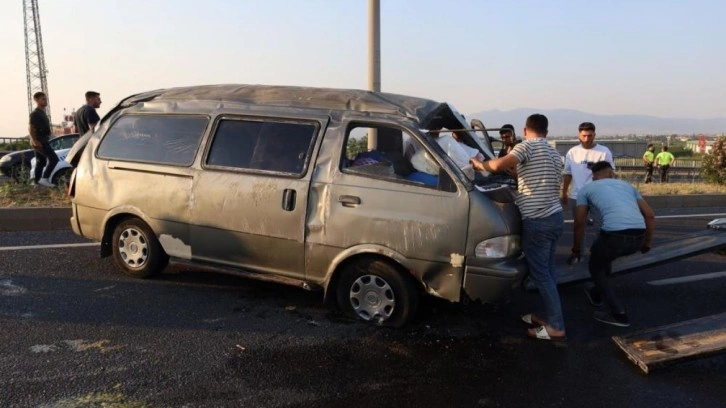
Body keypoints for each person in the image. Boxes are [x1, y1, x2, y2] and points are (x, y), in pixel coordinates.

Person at [471, 114, 565, 341]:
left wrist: (479, 164)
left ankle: (556, 327)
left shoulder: (526, 147)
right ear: (546, 132)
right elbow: (540, 179)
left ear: (525, 130)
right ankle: (552, 317)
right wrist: (517, 173)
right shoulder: (553, 152)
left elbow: (495, 165)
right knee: (549, 273)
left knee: (541, 275)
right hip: (555, 217)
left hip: (538, 220)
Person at [571, 161, 655, 327]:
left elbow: (579, 223)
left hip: (613, 237)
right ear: (611, 173)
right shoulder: (628, 186)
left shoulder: (586, 189)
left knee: (595, 267)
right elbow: (650, 215)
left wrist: (576, 249)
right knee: (603, 256)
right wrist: (647, 243)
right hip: (638, 236)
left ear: (594, 177)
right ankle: (597, 292)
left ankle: (618, 314)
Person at [561, 122, 615, 252]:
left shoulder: (603, 151)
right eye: (584, 136)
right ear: (579, 135)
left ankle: (601, 253)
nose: (587, 139)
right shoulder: (572, 152)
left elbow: (611, 173)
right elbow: (567, 173)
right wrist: (564, 192)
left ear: (594, 135)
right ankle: (578, 253)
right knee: (579, 226)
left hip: (599, 196)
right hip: (577, 195)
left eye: (589, 136)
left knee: (601, 226)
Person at [28, 92, 59, 187]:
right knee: (54, 159)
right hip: (40, 140)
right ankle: (44, 178)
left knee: (41, 161)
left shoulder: (43, 113)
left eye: (45, 99)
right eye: (43, 99)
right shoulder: (35, 113)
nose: (45, 101)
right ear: (36, 100)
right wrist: (35, 140)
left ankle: (36, 182)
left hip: (43, 139)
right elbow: (30, 127)